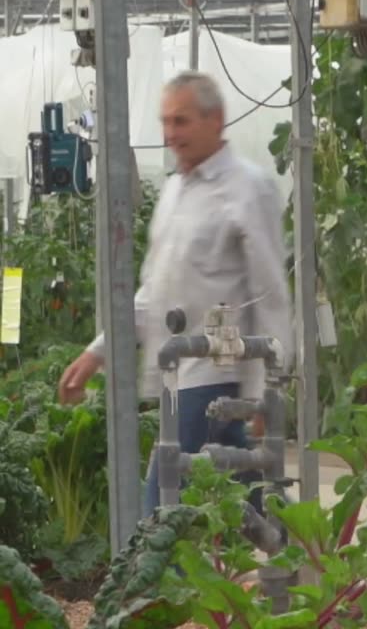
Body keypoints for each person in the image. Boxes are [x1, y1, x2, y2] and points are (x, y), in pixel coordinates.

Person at [57, 70, 294, 517]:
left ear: (216, 120)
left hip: (215, 371)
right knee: (246, 488)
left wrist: (269, 390)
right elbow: (154, 291)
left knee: (162, 506)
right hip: (175, 374)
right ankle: (304, 548)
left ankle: (155, 583)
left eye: (181, 121)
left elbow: (270, 296)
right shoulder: (174, 192)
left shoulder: (247, 189)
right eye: (165, 122)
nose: (170, 134)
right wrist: (97, 353)